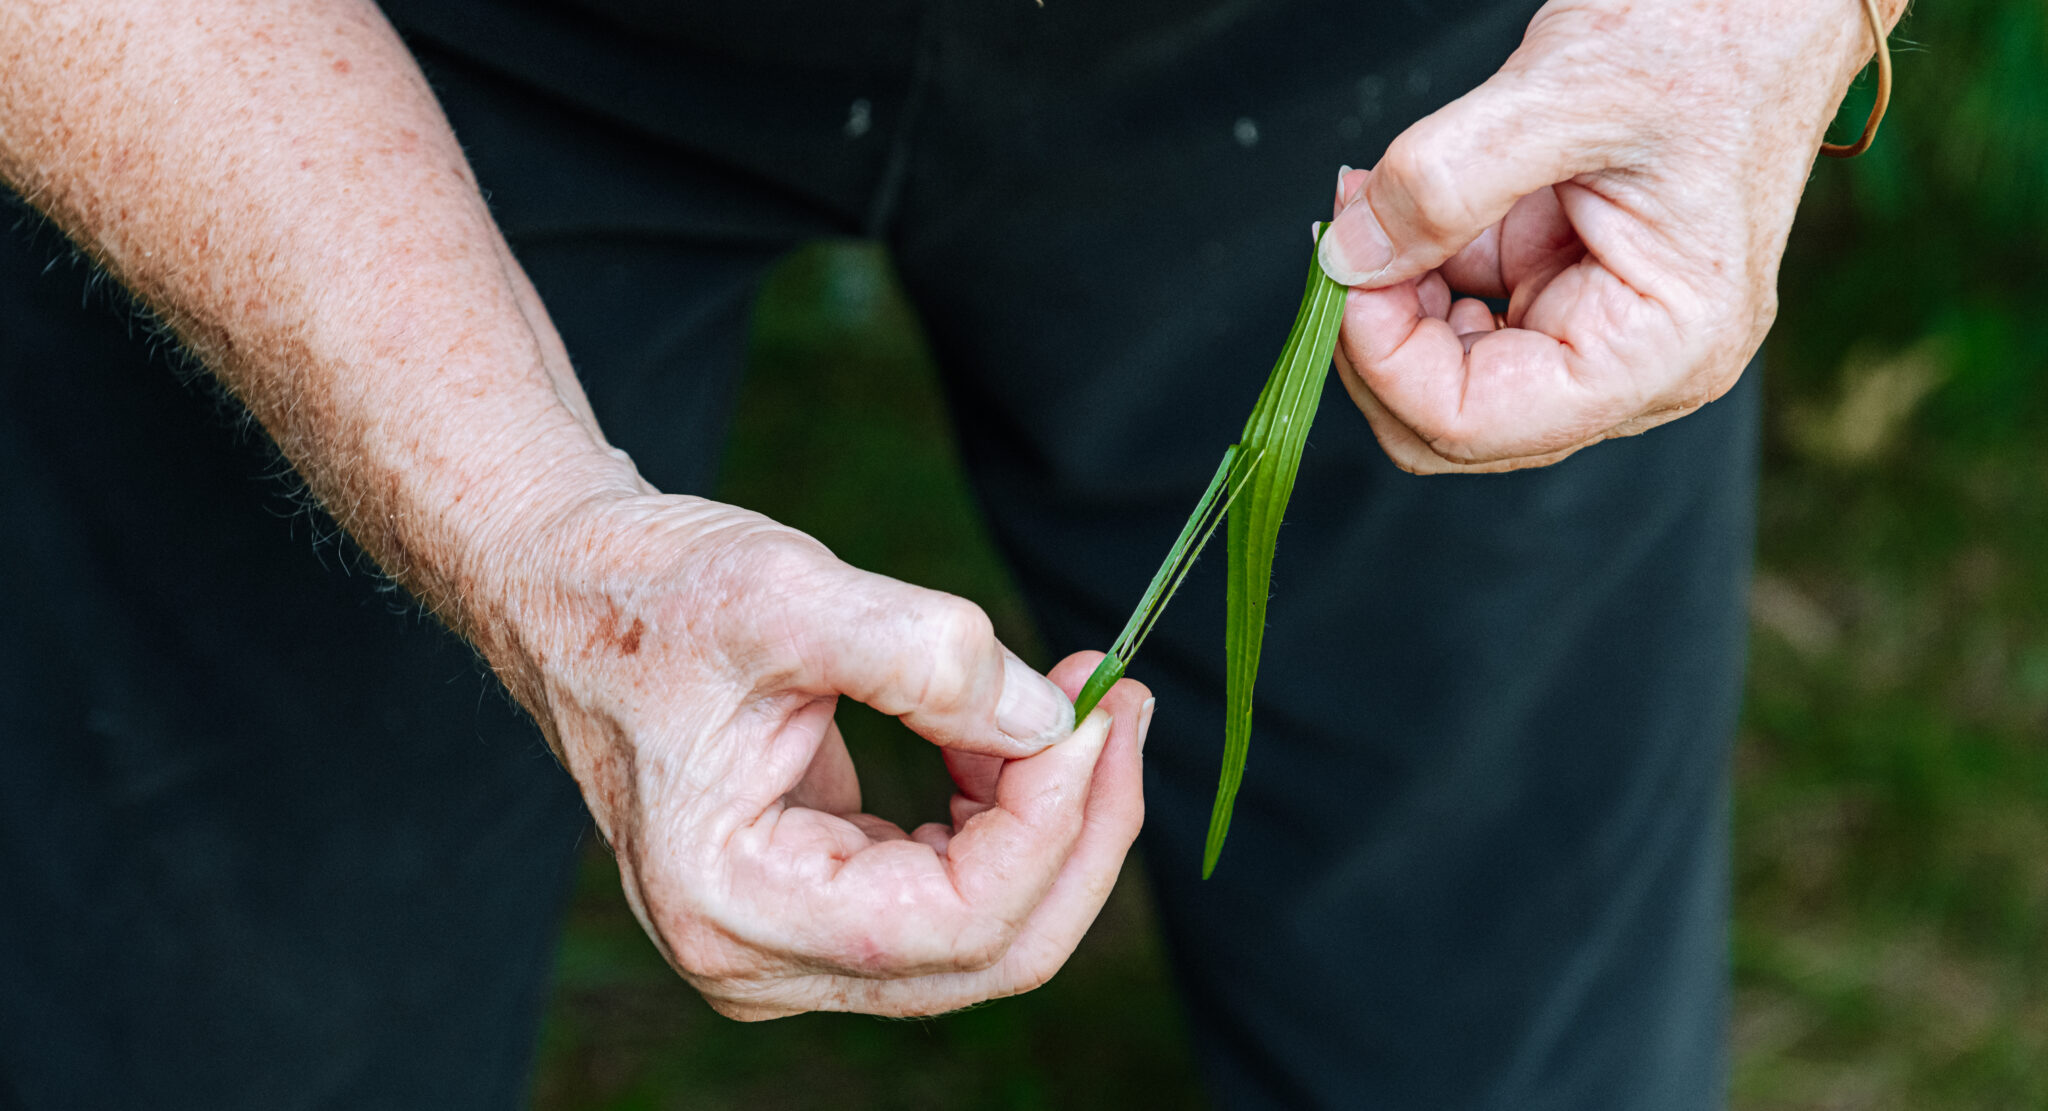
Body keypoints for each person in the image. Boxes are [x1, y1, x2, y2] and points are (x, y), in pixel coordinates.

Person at [0, 0, 1900, 1106]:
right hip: (353, 64)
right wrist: (524, 524)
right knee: (230, 1034)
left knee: (1499, 1035)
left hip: (1411, 86)